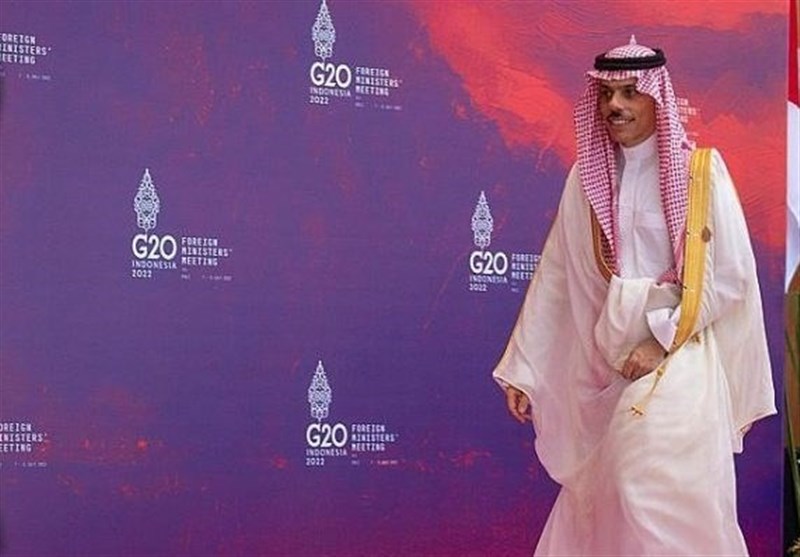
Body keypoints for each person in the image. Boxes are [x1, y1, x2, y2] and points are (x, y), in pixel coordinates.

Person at [493, 37, 776, 555]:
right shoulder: (586, 180)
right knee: (601, 500)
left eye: (629, 93)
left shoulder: (700, 174)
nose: (615, 106)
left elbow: (729, 276)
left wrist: (661, 340)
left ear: (656, 98)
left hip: (683, 354)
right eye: (606, 94)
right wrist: (524, 367)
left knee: (642, 485)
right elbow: (558, 275)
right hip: (612, 360)